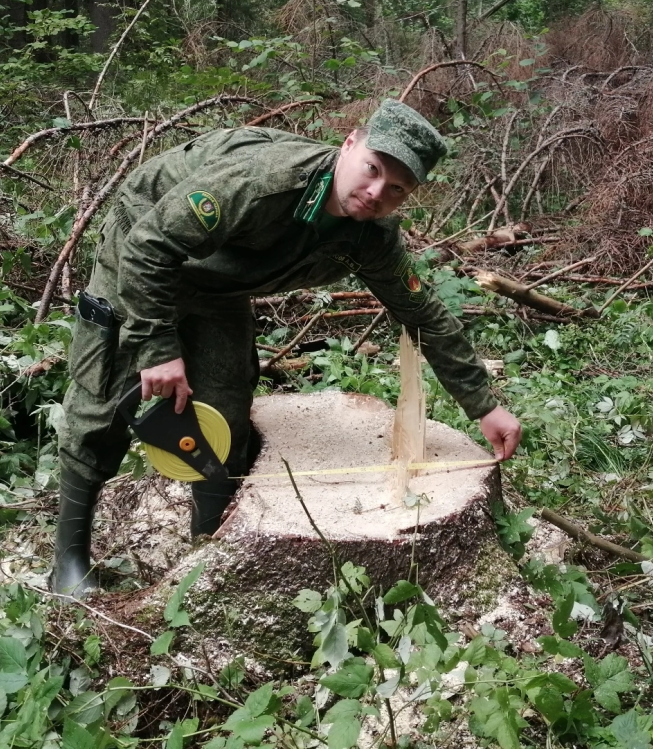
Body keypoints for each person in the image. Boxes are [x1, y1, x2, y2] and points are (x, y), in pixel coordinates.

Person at [51, 98, 523, 596]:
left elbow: (420, 311)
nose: (376, 191)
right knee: (104, 402)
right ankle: (69, 564)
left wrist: (484, 405)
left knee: (225, 403)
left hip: (220, 285)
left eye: (397, 188)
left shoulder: (372, 238)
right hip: (143, 249)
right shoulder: (265, 180)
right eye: (372, 169)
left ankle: (207, 548)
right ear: (349, 146)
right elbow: (149, 247)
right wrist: (157, 346)